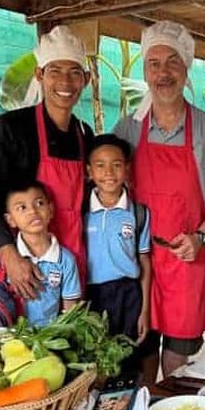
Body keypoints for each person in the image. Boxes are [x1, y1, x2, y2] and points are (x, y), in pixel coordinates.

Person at [114, 20, 205, 377]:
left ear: (186, 70)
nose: (163, 73)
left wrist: (200, 237)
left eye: (172, 62)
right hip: (137, 260)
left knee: (179, 363)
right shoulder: (127, 128)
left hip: (188, 259)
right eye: (154, 63)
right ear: (144, 70)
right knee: (141, 351)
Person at [0, 25, 93, 301]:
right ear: (39, 75)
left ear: (85, 80)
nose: (65, 82)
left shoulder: (84, 134)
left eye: (75, 73)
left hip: (71, 261)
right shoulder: (9, 128)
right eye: (55, 71)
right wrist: (9, 254)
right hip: (25, 266)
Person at [0, 180, 80, 329]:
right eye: (22, 207)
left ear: (50, 210)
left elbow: (70, 312)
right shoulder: (1, 260)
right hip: (7, 341)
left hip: (48, 342)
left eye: (39, 203)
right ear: (10, 220)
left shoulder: (66, 260)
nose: (33, 211)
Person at [83, 133, 152, 348]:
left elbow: (144, 262)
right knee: (96, 358)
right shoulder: (81, 211)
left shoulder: (138, 213)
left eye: (116, 164)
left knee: (128, 357)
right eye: (100, 165)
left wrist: (145, 311)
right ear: (89, 171)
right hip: (92, 296)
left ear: (127, 168)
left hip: (128, 295)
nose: (109, 173)